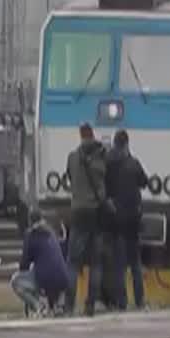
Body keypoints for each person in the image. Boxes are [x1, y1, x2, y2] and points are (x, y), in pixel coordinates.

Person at [65, 123, 110, 316]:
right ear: (93, 135)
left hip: (77, 211)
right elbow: (104, 179)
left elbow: (70, 177)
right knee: (96, 263)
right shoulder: (101, 158)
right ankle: (90, 305)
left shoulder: (73, 157)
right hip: (96, 213)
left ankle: (68, 305)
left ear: (81, 136)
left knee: (73, 263)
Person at [105, 129, 149, 310]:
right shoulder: (133, 163)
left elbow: (104, 187)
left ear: (115, 143)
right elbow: (144, 181)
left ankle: (121, 302)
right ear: (127, 144)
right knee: (135, 264)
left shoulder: (108, 164)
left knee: (119, 265)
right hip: (133, 219)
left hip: (116, 219)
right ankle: (139, 301)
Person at [10, 208, 72, 315]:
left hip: (46, 279)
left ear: (30, 221)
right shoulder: (52, 232)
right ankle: (58, 306)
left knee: (16, 281)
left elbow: (25, 263)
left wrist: (22, 270)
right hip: (63, 278)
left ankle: (39, 306)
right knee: (45, 272)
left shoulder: (31, 234)